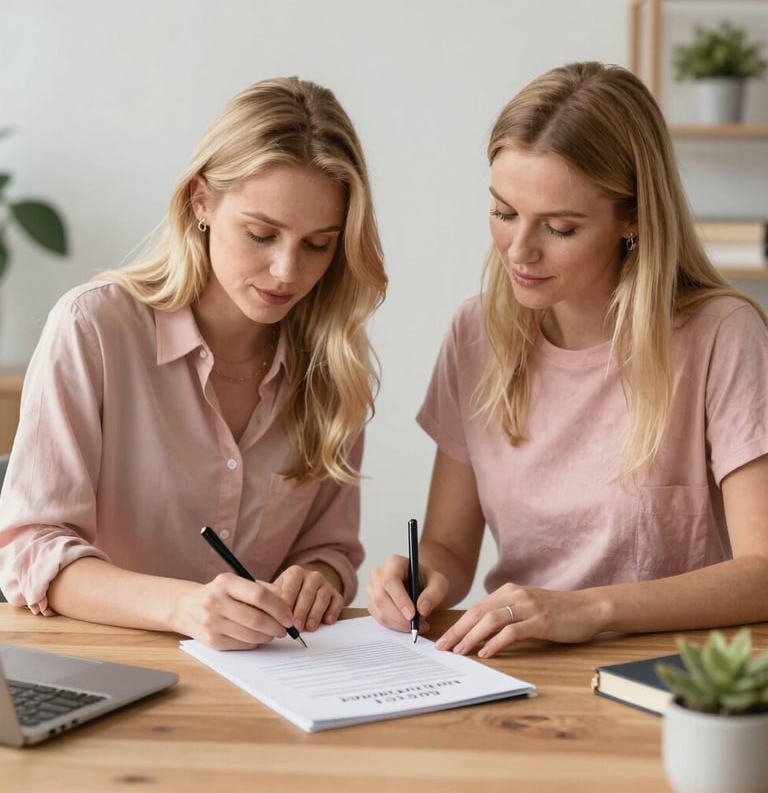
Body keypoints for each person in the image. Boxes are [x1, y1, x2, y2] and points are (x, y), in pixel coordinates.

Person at [367, 61, 768, 658]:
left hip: (672, 672)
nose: (519, 251)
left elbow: (761, 572)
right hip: (519, 670)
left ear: (631, 219)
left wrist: (586, 609)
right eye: (504, 213)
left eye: (558, 227)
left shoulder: (720, 336)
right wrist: (418, 578)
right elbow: (451, 546)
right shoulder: (476, 334)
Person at [0, 76, 387, 650]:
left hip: (264, 683)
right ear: (200, 201)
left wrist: (319, 578)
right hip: (106, 665)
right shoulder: (95, 330)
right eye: (262, 234)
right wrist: (184, 606)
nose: (287, 271)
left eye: (317, 244)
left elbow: (327, 549)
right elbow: (31, 550)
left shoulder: (330, 369)